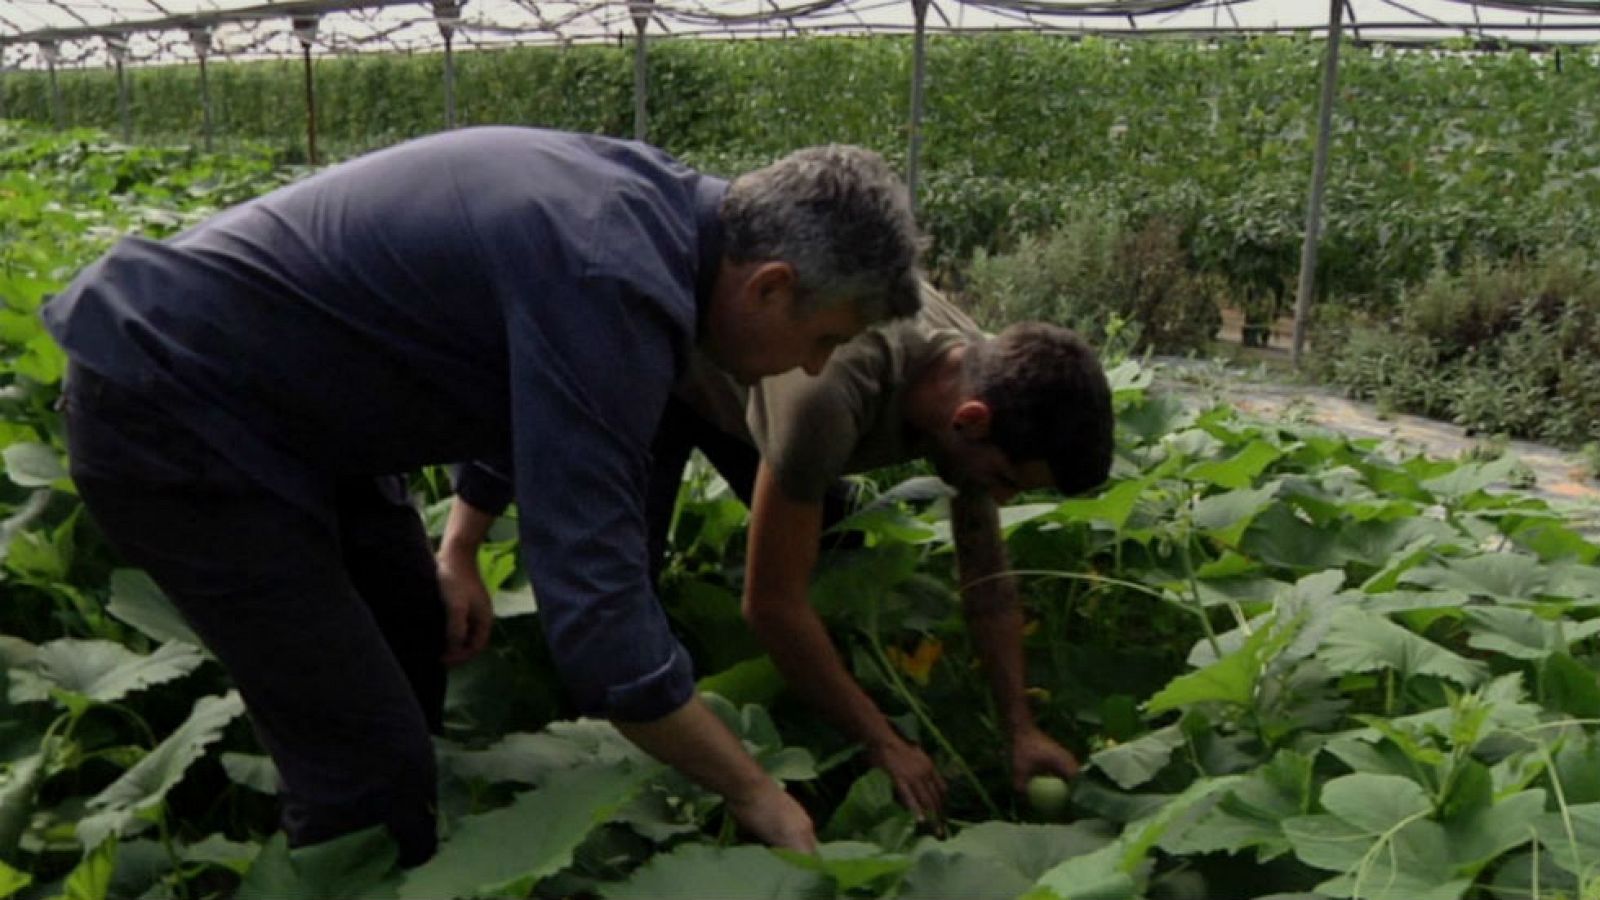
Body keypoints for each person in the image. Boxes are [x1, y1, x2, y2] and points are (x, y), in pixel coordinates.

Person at [42, 126, 924, 864]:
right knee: (366, 765)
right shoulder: (610, 274)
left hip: (291, 408)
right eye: (822, 339)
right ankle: (356, 856)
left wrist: (460, 545)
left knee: (409, 634)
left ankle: (393, 847)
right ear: (771, 286)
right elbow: (600, 620)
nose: (815, 369)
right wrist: (752, 789)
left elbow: (533, 375)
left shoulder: (656, 217)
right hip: (173, 406)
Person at [441, 284, 1114, 824]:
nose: (999, 499)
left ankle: (806, 712)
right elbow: (769, 605)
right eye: (1003, 480)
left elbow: (987, 581)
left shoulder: (983, 372)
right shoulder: (829, 394)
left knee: (838, 548)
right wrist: (885, 742)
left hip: (765, 383)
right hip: (672, 375)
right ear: (970, 420)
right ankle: (603, 764)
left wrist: (1021, 729)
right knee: (620, 597)